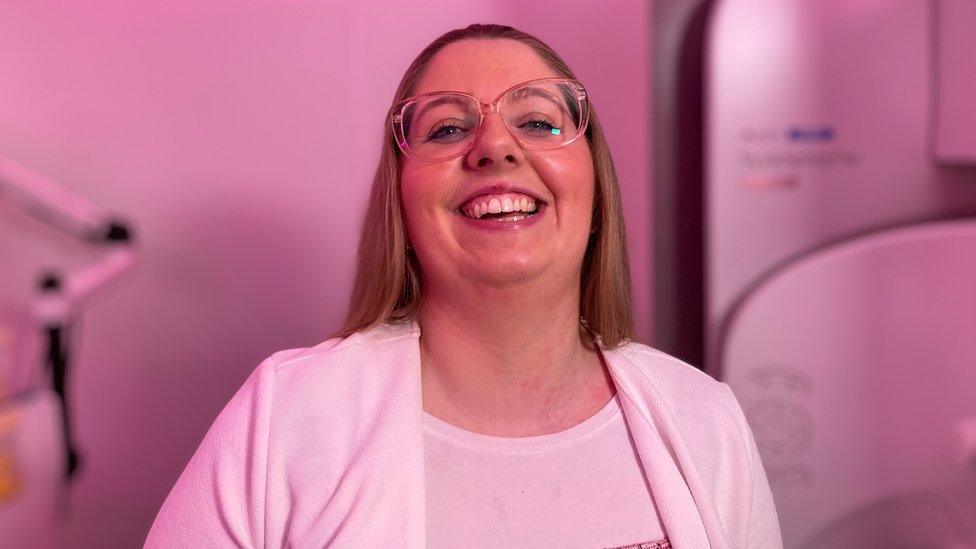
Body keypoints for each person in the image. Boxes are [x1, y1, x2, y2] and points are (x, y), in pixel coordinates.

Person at [146, 23, 782, 548]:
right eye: (447, 129)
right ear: (399, 198)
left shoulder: (706, 420)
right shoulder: (285, 417)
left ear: (595, 184)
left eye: (537, 122)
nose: (495, 148)